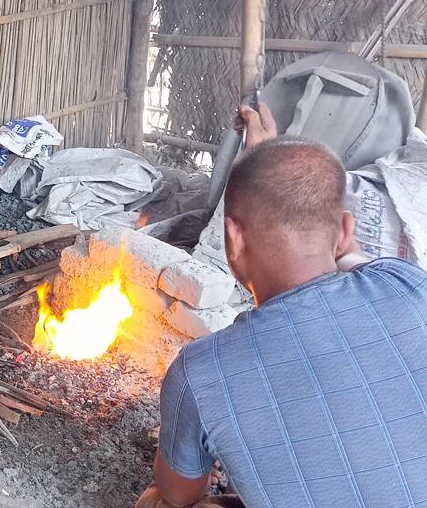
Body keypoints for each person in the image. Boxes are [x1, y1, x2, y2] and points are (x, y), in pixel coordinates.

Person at [137, 104, 427, 507]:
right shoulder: (410, 284)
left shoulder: (201, 371)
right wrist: (272, 156)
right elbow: (349, 255)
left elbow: (178, 493)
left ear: (233, 239)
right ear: (345, 228)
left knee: (158, 503)